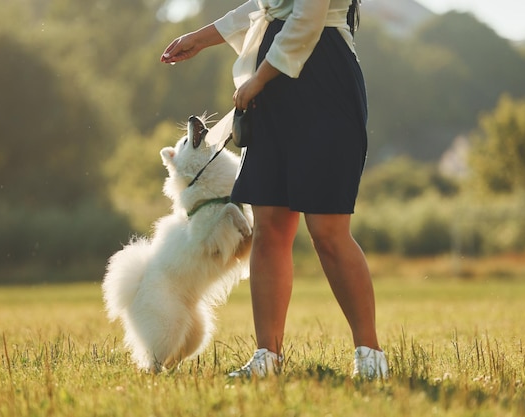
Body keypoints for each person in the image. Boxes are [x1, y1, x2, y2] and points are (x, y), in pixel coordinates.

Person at [161, 0, 388, 379]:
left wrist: (259, 80)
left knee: (328, 231)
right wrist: (199, 39)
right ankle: (268, 356)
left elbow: (307, 19)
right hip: (275, 87)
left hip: (324, 81)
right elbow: (267, 6)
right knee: (269, 228)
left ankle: (370, 355)